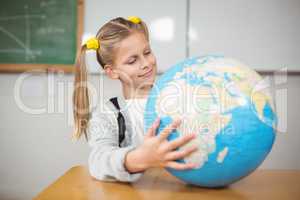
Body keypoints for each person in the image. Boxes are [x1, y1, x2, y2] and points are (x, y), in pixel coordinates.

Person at [72, 16, 198, 182]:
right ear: (112, 72)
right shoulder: (108, 113)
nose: (146, 63)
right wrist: (139, 159)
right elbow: (98, 161)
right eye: (132, 61)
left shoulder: (178, 97)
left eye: (147, 52)